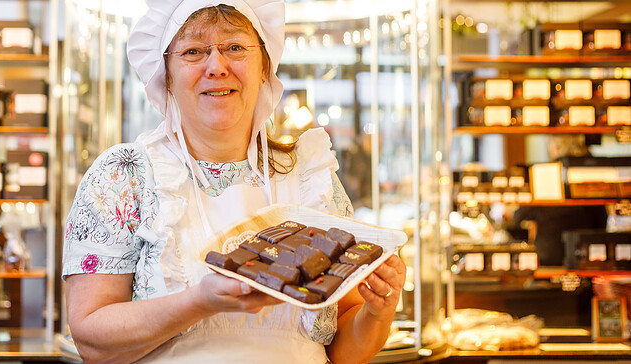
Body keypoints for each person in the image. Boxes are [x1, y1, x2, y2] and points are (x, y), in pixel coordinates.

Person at [62, 1, 406, 362]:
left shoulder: (311, 178)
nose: (217, 67)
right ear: (166, 74)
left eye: (236, 48)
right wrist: (197, 302)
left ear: (264, 67)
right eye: (194, 51)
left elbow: (343, 352)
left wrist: (378, 311)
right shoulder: (124, 177)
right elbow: (92, 341)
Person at [509, 135, 607, 265]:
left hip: (549, 257)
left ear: (555, 147)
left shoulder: (546, 174)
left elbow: (518, 216)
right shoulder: (591, 175)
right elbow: (602, 221)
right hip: (585, 257)